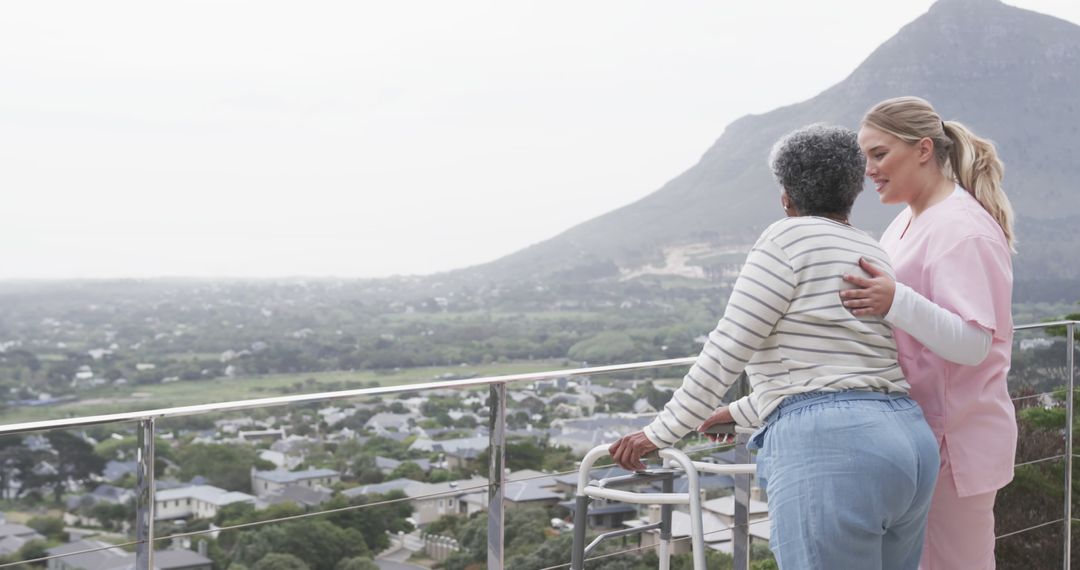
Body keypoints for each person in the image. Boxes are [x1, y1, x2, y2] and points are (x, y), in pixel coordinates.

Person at [609, 124, 939, 570]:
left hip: (834, 450)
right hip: (907, 442)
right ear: (854, 190)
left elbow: (728, 350)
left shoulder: (786, 239)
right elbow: (839, 365)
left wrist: (658, 433)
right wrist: (740, 412)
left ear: (786, 197)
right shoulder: (871, 249)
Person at [841, 96, 1016, 569]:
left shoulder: (964, 230)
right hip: (917, 439)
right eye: (865, 159)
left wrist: (894, 299)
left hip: (955, 447)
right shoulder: (905, 220)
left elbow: (975, 343)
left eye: (879, 154)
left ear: (922, 149)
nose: (869, 170)